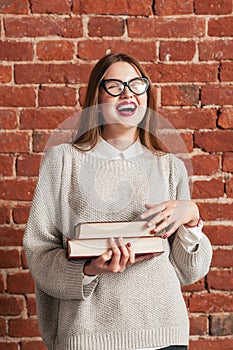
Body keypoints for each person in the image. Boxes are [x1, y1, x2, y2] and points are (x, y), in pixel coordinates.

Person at [24, 53, 212, 350]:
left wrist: (191, 216)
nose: (128, 93)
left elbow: (189, 271)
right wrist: (88, 270)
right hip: (88, 336)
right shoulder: (63, 162)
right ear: (96, 98)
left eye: (137, 85)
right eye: (115, 85)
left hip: (164, 334)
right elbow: (38, 253)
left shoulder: (170, 166)